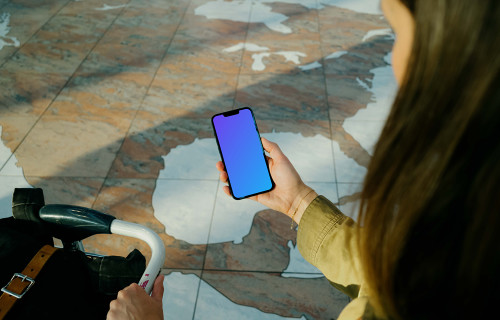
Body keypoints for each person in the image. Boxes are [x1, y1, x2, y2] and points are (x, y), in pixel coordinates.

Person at [108, 0, 500, 318]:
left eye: (398, 32)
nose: (396, 62)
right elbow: (395, 271)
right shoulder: (471, 222)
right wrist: (297, 203)